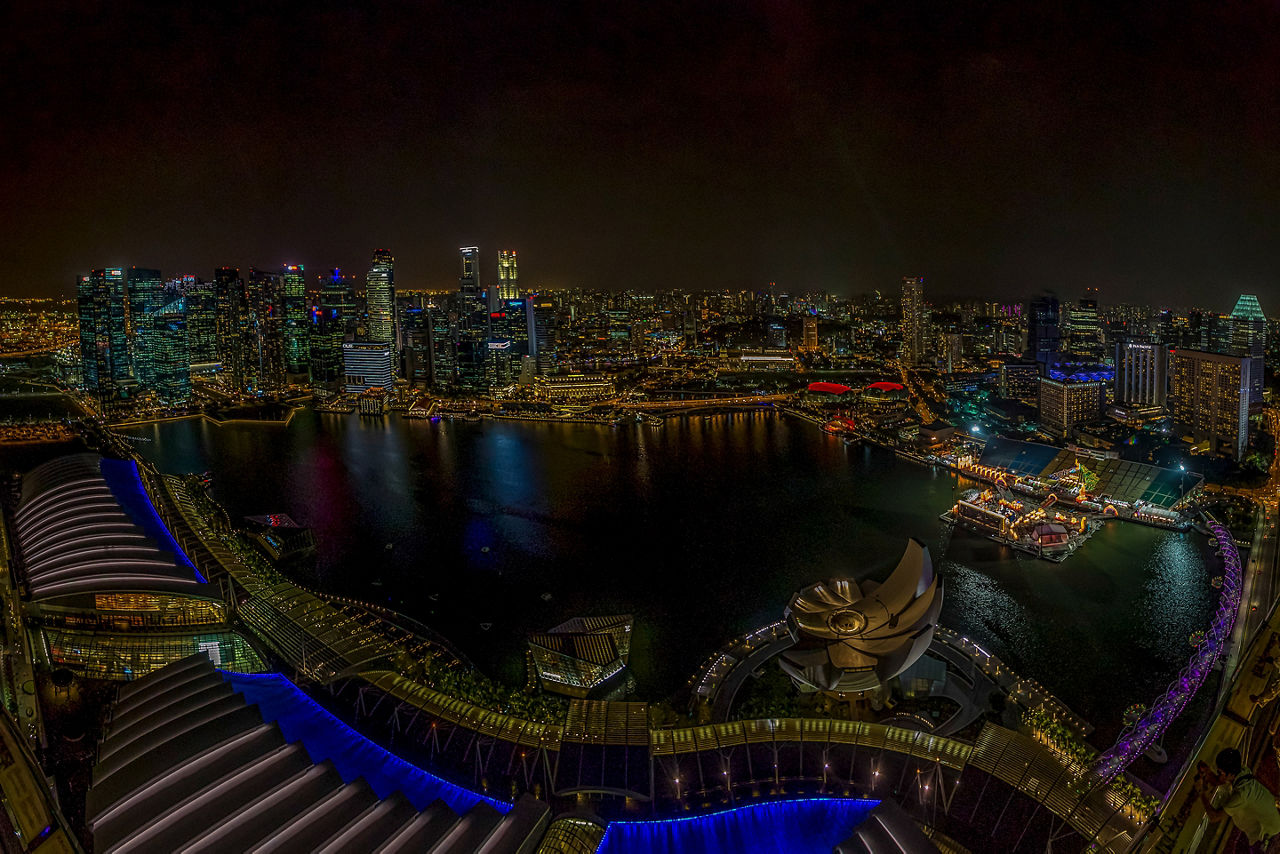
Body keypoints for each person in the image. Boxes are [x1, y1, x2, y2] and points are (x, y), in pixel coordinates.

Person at [1197, 747, 1280, 852]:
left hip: (1266, 837)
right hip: (1270, 824)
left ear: (1230, 773)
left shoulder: (1241, 795)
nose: (1219, 774)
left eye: (1220, 772)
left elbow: (1214, 817)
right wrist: (1208, 773)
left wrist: (1200, 792)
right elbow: (1222, 781)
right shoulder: (1243, 771)